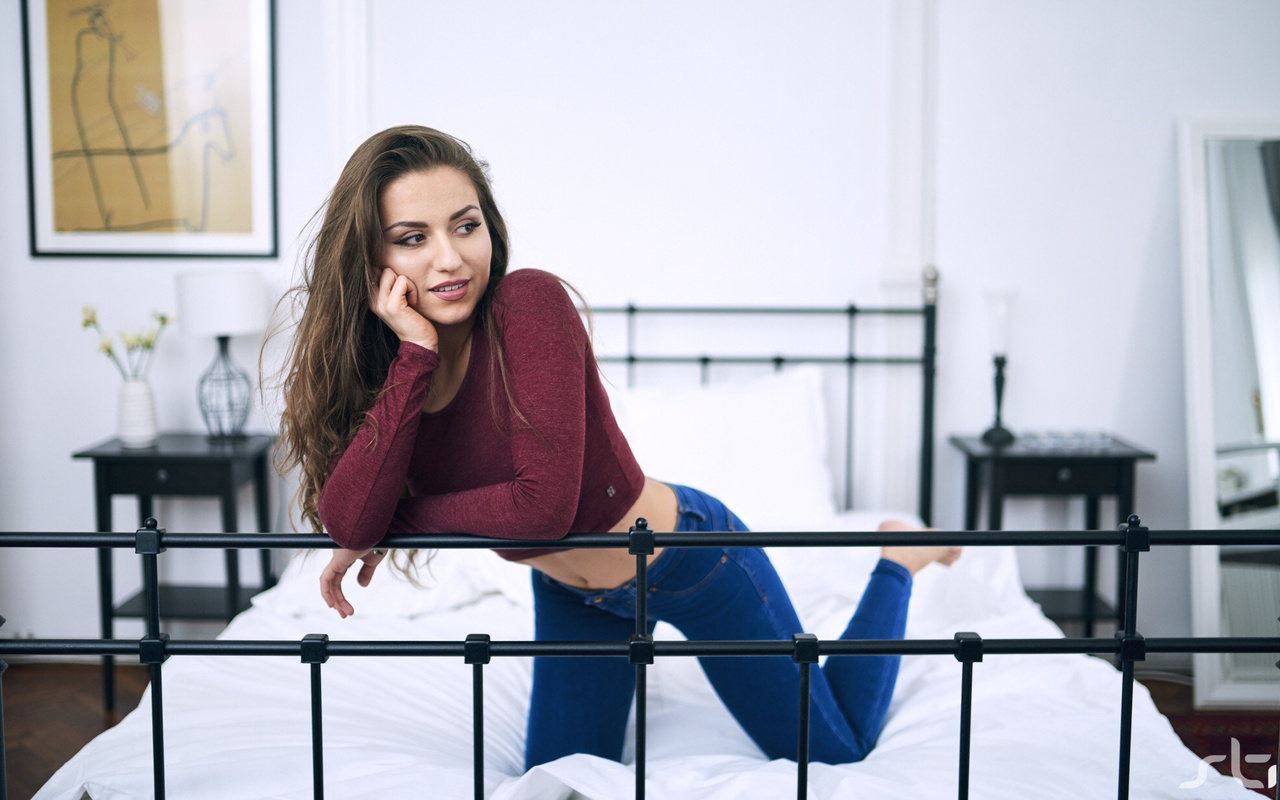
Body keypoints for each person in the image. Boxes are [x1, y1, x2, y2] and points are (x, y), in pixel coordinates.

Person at [276, 125, 961, 770]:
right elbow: (347, 520)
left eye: (465, 225)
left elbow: (542, 509)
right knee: (560, 779)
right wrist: (415, 356)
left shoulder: (529, 305)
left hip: (690, 558)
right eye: (411, 238)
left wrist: (394, 520)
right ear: (371, 260)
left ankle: (898, 557)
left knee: (831, 755)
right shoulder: (392, 371)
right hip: (573, 597)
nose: (450, 258)